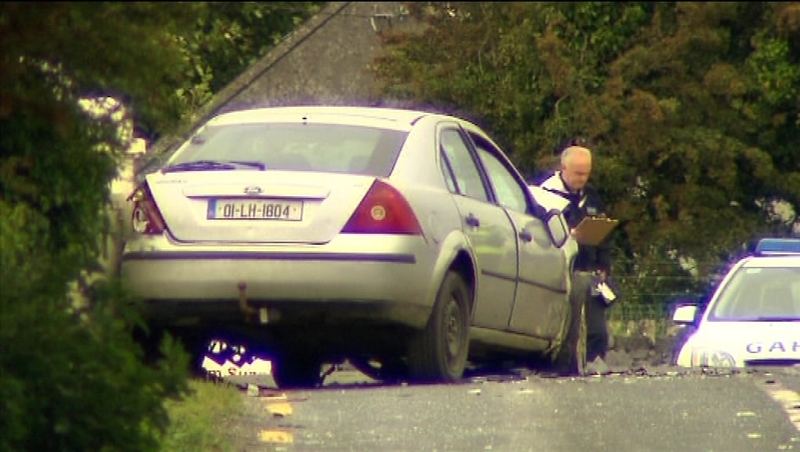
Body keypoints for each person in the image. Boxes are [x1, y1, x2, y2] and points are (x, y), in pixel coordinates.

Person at [539, 142, 616, 370]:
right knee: (567, 326)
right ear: (564, 168)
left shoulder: (591, 197)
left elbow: (603, 234)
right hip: (561, 271)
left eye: (586, 173)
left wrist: (604, 265)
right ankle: (562, 367)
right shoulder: (545, 195)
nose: (582, 179)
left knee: (597, 330)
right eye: (578, 173)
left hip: (589, 272)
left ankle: (592, 363)